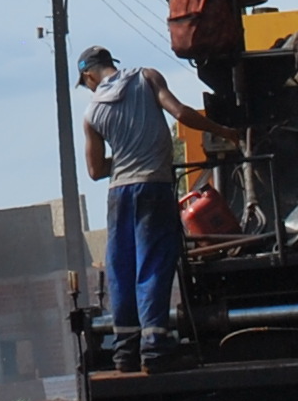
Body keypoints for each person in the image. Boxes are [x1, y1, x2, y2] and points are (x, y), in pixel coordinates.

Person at [76, 44, 210, 371]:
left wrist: (123, 156)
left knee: (122, 266)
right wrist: (226, 132)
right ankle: (155, 348)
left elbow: (95, 171)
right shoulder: (146, 78)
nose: (89, 88)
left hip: (119, 193)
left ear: (88, 74)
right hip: (154, 185)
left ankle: (125, 351)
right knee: (153, 262)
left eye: (86, 83)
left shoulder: (92, 114)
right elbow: (181, 114)